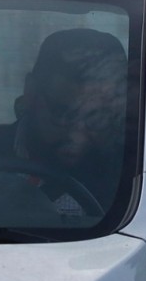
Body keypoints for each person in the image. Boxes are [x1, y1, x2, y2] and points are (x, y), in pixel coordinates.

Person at [13, 28, 128, 216]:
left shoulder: (137, 180)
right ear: (30, 92)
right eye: (63, 112)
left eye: (96, 117)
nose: (78, 137)